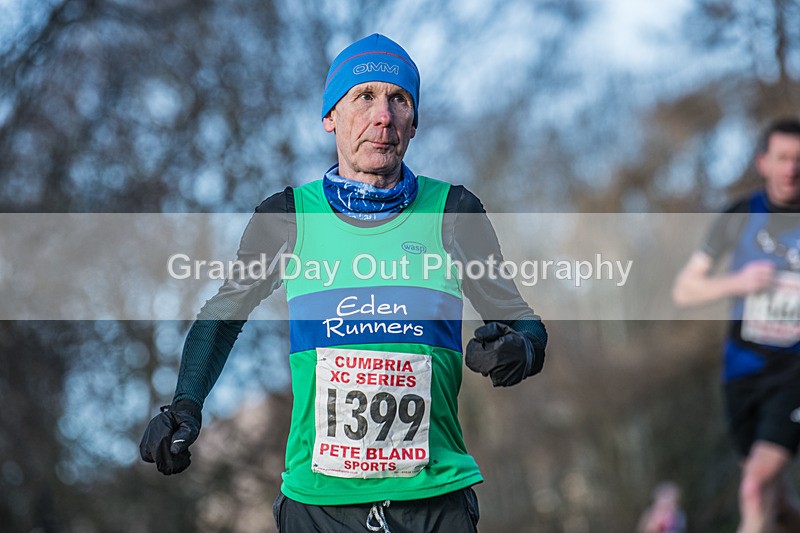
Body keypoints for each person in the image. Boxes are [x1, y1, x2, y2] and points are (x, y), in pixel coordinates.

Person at [140, 33, 547, 533]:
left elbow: (523, 324)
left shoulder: (454, 211)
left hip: (433, 500)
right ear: (330, 117)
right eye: (365, 96)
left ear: (414, 123)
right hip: (319, 505)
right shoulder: (287, 216)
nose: (384, 115)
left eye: (400, 99)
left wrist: (518, 350)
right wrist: (185, 406)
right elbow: (221, 318)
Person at [672, 117, 800, 533]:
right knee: (773, 501)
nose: (791, 168)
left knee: (752, 486)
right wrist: (738, 281)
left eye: (799, 159)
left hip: (794, 373)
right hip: (742, 372)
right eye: (782, 158)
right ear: (764, 161)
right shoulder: (739, 216)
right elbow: (684, 290)